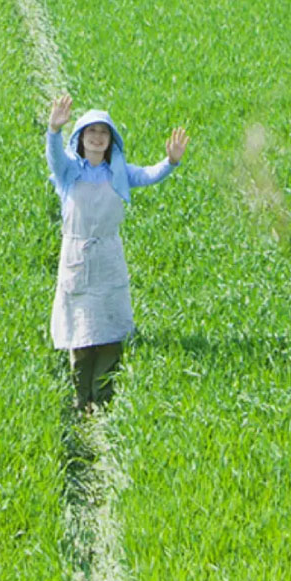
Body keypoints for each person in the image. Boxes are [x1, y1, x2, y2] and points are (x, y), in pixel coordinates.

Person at [44, 94, 187, 411]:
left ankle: (103, 400)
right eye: (90, 132)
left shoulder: (119, 172)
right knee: (80, 333)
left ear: (111, 140)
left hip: (108, 256)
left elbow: (149, 174)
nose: (97, 138)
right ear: (81, 138)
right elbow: (54, 157)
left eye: (103, 133)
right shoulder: (69, 171)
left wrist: (172, 161)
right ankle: (81, 400)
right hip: (77, 256)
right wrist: (53, 130)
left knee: (109, 332)